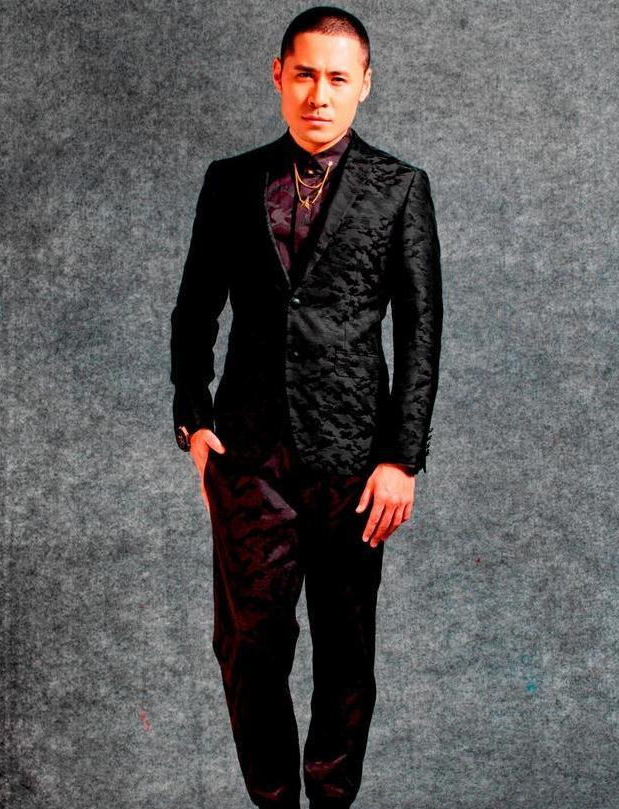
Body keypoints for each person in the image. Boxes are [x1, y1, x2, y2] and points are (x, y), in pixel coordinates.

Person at [169, 6, 443, 808]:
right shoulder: (230, 181)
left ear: (364, 85)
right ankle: (274, 801)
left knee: (346, 652)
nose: (319, 94)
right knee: (248, 646)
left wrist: (402, 458)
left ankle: (330, 799)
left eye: (337, 78)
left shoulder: (399, 188)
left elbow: (421, 328)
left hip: (356, 464)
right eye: (304, 75)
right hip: (249, 459)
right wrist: (195, 422)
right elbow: (194, 309)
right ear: (279, 76)